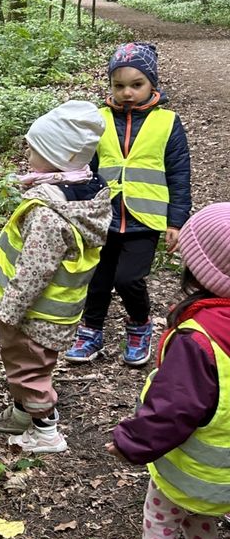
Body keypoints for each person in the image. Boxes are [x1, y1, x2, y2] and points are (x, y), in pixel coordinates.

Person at [107, 203, 230, 539]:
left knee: (160, 517)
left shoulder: (200, 339)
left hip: (191, 464)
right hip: (225, 472)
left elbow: (174, 408)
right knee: (201, 514)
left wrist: (130, 442)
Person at [0, 101, 112, 453]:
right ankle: (23, 413)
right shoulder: (87, 190)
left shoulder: (50, 212)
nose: (27, 152)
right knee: (30, 363)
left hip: (33, 311)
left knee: (29, 370)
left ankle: (45, 431)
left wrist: (10, 310)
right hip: (58, 310)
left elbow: (35, 269)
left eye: (35, 148)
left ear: (59, 156)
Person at [65, 42, 192, 367]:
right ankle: (91, 330)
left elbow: (179, 174)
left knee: (128, 279)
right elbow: (85, 169)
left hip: (145, 219)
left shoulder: (167, 122)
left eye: (136, 85)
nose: (127, 93)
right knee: (97, 279)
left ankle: (139, 325)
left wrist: (175, 222)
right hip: (103, 217)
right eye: (119, 85)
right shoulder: (99, 120)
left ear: (153, 83)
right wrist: (76, 208)